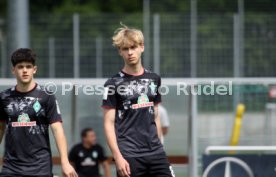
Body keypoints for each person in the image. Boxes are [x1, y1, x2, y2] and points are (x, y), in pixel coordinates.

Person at [102, 24, 175, 177]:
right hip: (129, 155)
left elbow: (155, 116)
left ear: (142, 47)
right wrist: (118, 157)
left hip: (156, 153)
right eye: (125, 49)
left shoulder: (154, 79)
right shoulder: (112, 83)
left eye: (133, 47)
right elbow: (108, 124)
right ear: (120, 52)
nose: (130, 52)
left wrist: (160, 146)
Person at [0, 48, 77, 177]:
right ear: (13, 70)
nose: (24, 70)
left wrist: (65, 162)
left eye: (28, 66)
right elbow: (0, 128)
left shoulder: (46, 96)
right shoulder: (4, 97)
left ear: (34, 69)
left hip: (40, 167)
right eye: (20, 67)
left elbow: (57, 130)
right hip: (11, 168)